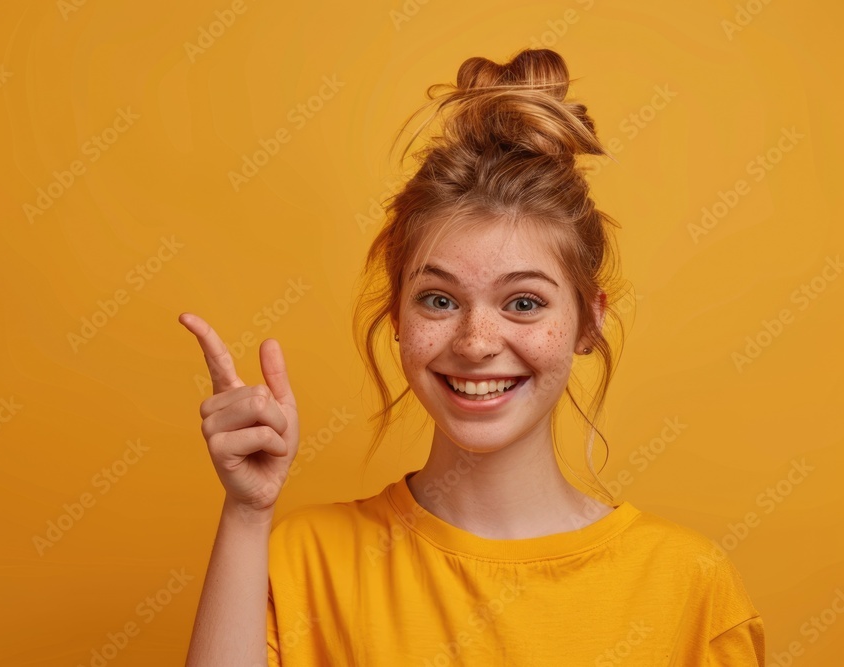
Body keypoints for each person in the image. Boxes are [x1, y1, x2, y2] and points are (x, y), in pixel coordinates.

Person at [181, 48, 765, 666]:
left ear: (588, 323)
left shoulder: (689, 586)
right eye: (439, 299)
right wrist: (247, 514)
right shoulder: (303, 558)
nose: (476, 342)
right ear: (398, 319)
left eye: (523, 303)